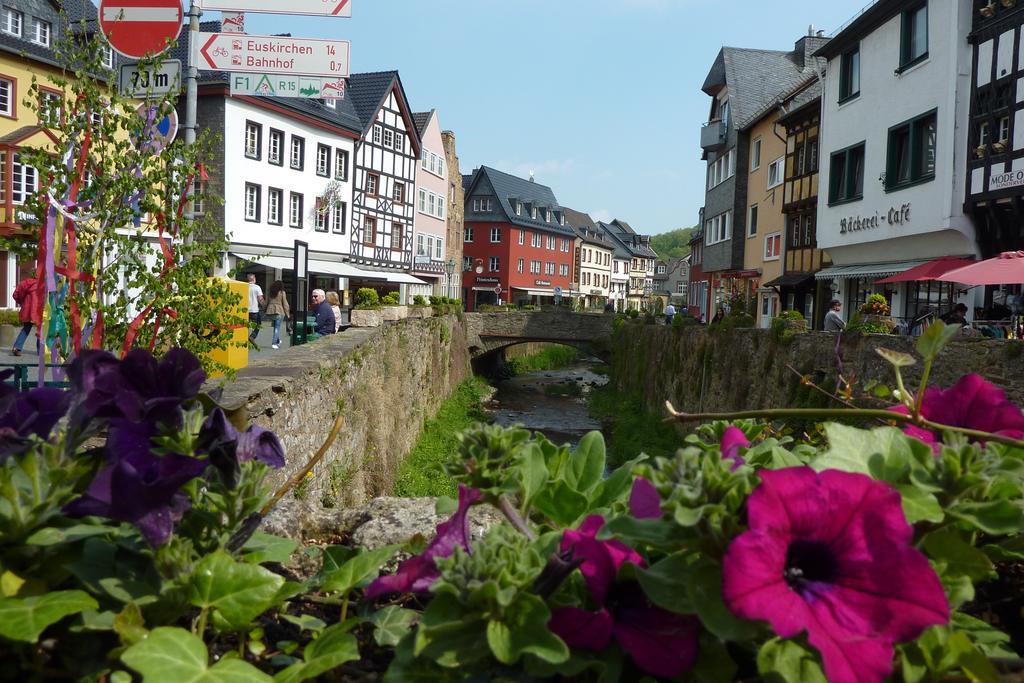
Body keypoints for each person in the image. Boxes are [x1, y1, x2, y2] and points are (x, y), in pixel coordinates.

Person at [11, 276, 40, 357]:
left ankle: (17, 347)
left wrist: (22, 302)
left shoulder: (25, 283)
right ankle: (41, 350)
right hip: (38, 310)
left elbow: (15, 294)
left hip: (26, 309)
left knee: (26, 329)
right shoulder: (42, 285)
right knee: (41, 330)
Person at [264, 280, 290, 349]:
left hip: (270, 311)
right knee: (277, 328)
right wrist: (287, 313)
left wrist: (264, 309)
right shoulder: (282, 293)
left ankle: (277, 341)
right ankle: (274, 343)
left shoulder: (270, 293)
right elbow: (285, 303)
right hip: (279, 311)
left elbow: (266, 302)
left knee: (275, 326)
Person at [246, 273, 264, 344]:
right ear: (254, 279)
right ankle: (252, 336)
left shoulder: (245, 286)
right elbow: (260, 299)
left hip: (245, 310)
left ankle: (245, 339)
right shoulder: (257, 287)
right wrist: (264, 306)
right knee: (258, 324)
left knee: (245, 326)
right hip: (254, 310)